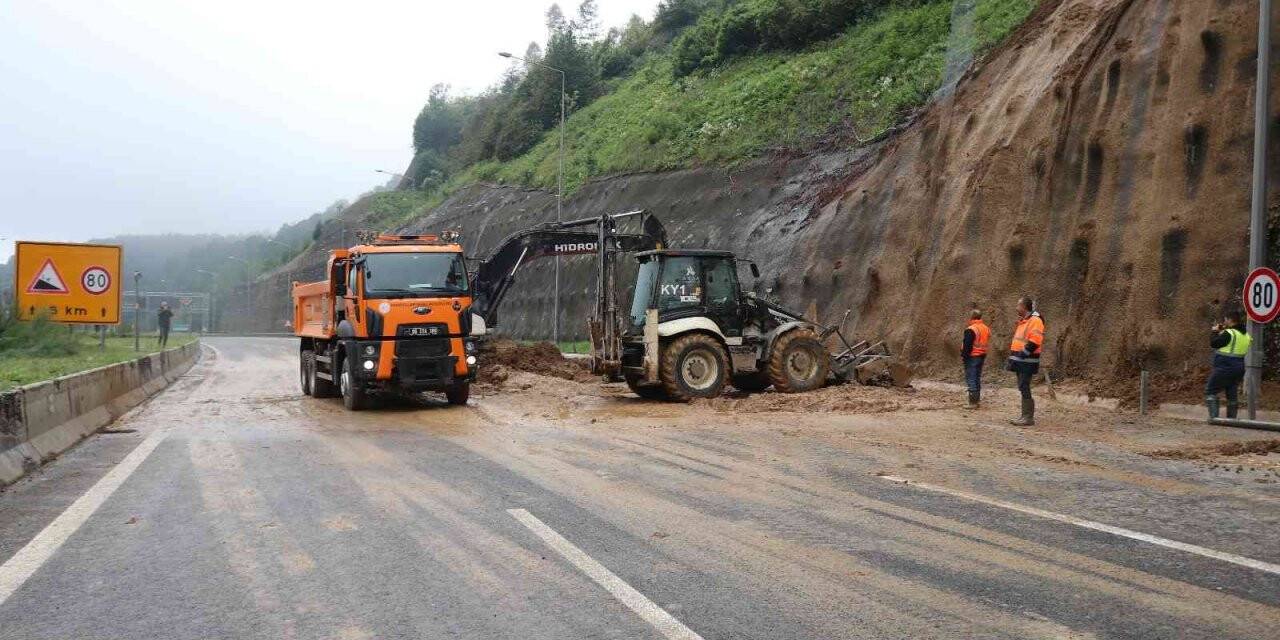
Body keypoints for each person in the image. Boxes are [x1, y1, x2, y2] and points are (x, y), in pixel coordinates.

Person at [1006, 296, 1044, 426]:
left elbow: (1035, 340)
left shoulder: (1035, 321)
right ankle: (1025, 416)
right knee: (1023, 386)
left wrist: (1023, 354)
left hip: (1026, 361)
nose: (1016, 308)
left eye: (1018, 305)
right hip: (1022, 360)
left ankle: (1028, 417)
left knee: (1024, 386)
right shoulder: (1025, 321)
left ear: (1024, 307)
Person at [1206, 311, 1250, 420]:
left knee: (1210, 390)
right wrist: (1224, 332)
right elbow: (1232, 344)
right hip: (1239, 368)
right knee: (1231, 392)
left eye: (1225, 319)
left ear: (1230, 320)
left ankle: (1214, 419)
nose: (1224, 322)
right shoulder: (1246, 335)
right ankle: (1231, 420)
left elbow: (1214, 343)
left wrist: (1215, 332)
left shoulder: (1229, 333)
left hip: (1225, 366)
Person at [961, 309, 990, 408]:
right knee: (977, 377)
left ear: (971, 317)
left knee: (971, 378)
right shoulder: (985, 328)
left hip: (972, 356)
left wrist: (964, 356)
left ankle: (972, 402)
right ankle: (976, 400)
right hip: (982, 355)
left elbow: (967, 346)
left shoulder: (971, 329)